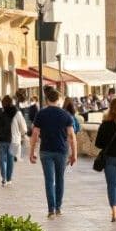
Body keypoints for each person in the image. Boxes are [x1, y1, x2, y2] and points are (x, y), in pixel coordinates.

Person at [27, 86, 78, 217]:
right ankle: (58, 207)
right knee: (60, 179)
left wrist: (31, 152)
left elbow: (35, 134)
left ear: (46, 99)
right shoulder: (66, 115)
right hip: (61, 151)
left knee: (49, 180)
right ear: (59, 99)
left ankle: (51, 209)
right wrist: (74, 154)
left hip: (46, 151)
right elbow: (72, 136)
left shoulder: (41, 114)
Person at [0, 94, 20, 186]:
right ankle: (9, 178)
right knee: (10, 159)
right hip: (13, 139)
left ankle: (3, 178)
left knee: (2, 159)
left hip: (1, 139)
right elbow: (22, 126)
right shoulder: (15, 112)